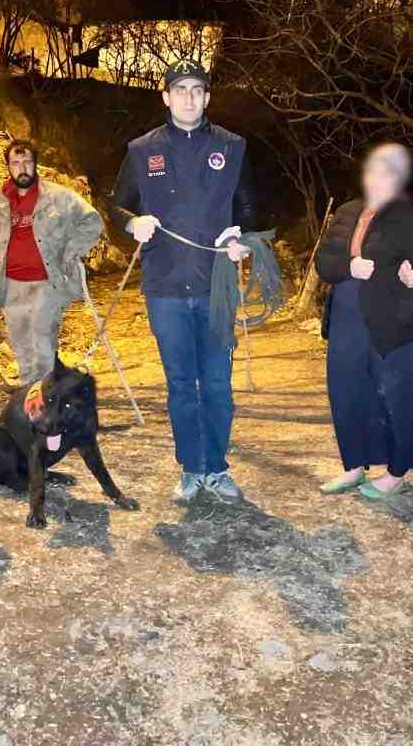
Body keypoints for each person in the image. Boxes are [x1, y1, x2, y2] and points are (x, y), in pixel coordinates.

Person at [110, 59, 255, 505]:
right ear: (166, 97)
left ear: (207, 97)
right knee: (180, 384)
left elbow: (250, 212)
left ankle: (218, 466)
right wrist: (133, 224)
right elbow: (118, 207)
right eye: (180, 89)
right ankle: (192, 468)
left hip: (216, 286)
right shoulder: (141, 150)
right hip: (165, 287)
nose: (189, 97)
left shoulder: (233, 147)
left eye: (197, 89)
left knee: (215, 383)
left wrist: (242, 239)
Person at [315, 144, 413, 499]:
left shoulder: (412, 219)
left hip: (390, 321)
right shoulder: (346, 211)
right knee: (348, 391)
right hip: (345, 317)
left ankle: (397, 470)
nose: (378, 179)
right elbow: (324, 263)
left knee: (396, 396)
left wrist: (406, 295)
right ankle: (355, 465)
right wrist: (347, 267)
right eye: (373, 171)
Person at [0, 139, 103, 384]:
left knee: (42, 346)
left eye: (27, 161)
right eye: (16, 163)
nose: (22, 168)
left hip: (47, 284)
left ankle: (47, 405)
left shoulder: (59, 197)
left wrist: (69, 251)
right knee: (23, 350)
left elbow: (92, 222)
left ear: (35, 164)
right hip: (11, 286)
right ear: (8, 166)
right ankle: (33, 406)